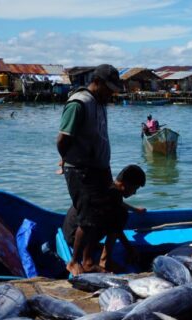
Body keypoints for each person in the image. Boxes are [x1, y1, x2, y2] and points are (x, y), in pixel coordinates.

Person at [57, 63, 122, 275]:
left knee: (102, 213)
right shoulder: (79, 103)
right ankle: (75, 261)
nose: (112, 94)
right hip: (81, 170)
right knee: (88, 217)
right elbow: (63, 139)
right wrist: (66, 159)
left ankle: (89, 259)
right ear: (97, 82)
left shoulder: (99, 103)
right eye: (109, 89)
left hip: (99, 168)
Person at [63, 165, 147, 274]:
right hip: (77, 236)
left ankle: (101, 257)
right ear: (124, 184)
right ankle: (93, 262)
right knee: (121, 215)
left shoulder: (109, 188)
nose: (134, 193)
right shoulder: (111, 197)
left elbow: (118, 203)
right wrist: (129, 248)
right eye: (135, 188)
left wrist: (135, 209)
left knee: (117, 214)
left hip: (69, 231)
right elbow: (116, 227)